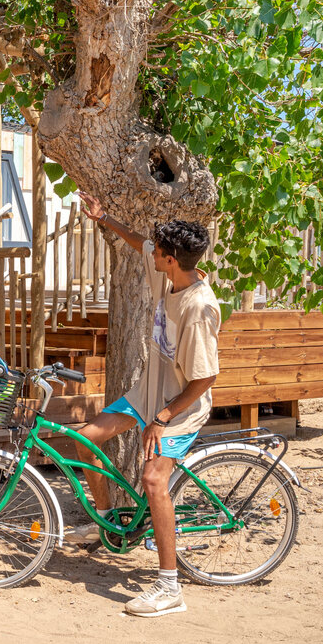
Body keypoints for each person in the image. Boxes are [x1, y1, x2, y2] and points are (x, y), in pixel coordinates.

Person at [69, 192, 221, 618]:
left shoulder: (199, 308)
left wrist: (162, 418)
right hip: (147, 394)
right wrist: (105, 217)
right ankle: (105, 523)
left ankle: (169, 587)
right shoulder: (169, 276)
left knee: (154, 480)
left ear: (171, 259)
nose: (151, 253)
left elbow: (206, 377)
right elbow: (140, 242)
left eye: (160, 251)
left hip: (181, 407)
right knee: (87, 440)